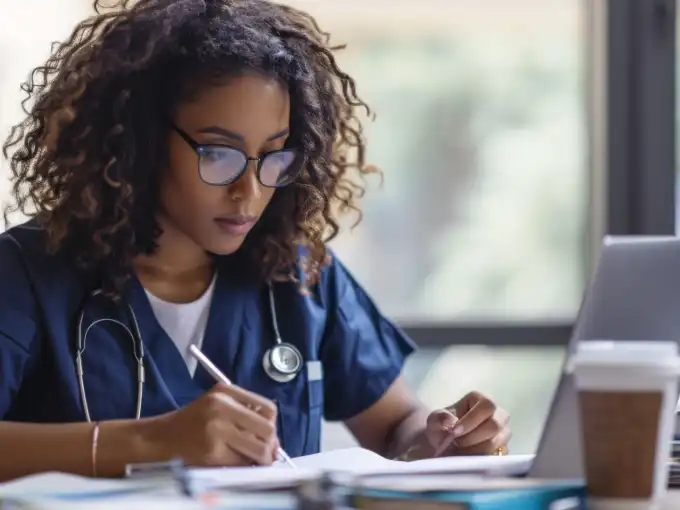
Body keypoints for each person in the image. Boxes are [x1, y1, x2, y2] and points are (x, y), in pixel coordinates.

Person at [0, 0, 510, 481]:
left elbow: (399, 425)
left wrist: (443, 440)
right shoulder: (25, 274)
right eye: (219, 154)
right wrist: (148, 442)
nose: (250, 189)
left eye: (274, 157)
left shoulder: (298, 276)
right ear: (140, 140)